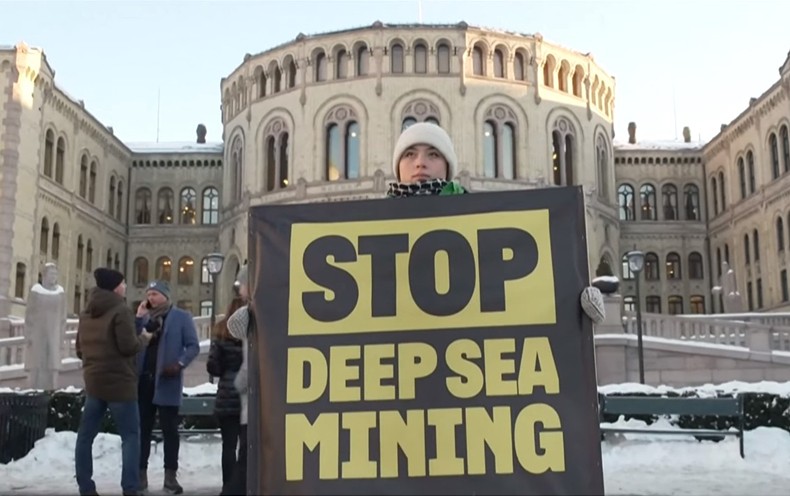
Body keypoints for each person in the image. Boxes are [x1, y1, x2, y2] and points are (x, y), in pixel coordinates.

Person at [388, 122, 606, 323]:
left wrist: (573, 305)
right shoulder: (370, 229)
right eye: (409, 154)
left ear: (448, 167)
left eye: (433, 154)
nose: (420, 163)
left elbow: (518, 289)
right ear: (397, 167)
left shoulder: (481, 221)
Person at [74, 268, 153, 496]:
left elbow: (79, 349)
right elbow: (129, 346)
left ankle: (85, 487)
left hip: (94, 383)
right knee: (130, 436)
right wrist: (145, 338)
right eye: (123, 283)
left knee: (85, 436)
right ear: (116, 287)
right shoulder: (120, 310)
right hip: (120, 385)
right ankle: (130, 487)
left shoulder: (86, 313)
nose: (126, 286)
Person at [135, 281, 200, 494]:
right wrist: (139, 318)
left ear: (165, 296)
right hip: (144, 382)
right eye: (148, 294)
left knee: (170, 431)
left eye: (155, 294)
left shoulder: (181, 317)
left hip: (167, 381)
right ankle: (140, 475)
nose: (150, 298)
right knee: (142, 430)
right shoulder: (145, 318)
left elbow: (193, 346)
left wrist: (179, 364)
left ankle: (170, 477)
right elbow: (132, 342)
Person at [206, 296, 245, 495]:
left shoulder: (221, 333)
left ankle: (227, 486)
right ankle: (243, 485)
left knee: (228, 446)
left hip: (226, 396)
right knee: (246, 446)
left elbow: (213, 366)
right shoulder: (253, 335)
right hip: (247, 396)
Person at [224, 266, 254, 496]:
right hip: (265, 406)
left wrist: (239, 383)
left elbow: (233, 326)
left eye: (241, 284)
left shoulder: (250, 314)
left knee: (245, 459)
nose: (239, 290)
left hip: (251, 406)